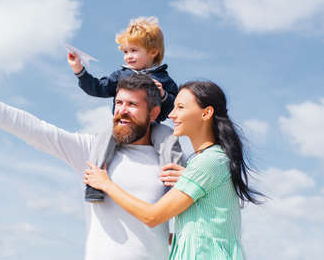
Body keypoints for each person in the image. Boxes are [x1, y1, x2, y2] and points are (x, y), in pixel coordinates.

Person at [0, 73, 185, 260]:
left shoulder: (169, 163)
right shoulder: (93, 152)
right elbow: (37, 130)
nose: (122, 111)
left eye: (132, 105)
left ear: (153, 113)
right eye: (119, 103)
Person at [84, 80, 265, 260]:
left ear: (206, 113)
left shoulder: (209, 162)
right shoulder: (205, 162)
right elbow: (198, 230)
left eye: (180, 107)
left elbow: (152, 217)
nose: (171, 114)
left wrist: (106, 184)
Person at [67, 17, 181, 201]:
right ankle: (94, 186)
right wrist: (79, 70)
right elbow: (99, 88)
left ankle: (173, 186)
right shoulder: (121, 75)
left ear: (153, 51)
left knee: (169, 139)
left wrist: (164, 97)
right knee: (104, 139)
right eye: (126, 51)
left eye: (134, 51)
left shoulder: (164, 80)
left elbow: (174, 109)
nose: (128, 56)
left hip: (152, 126)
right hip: (123, 125)